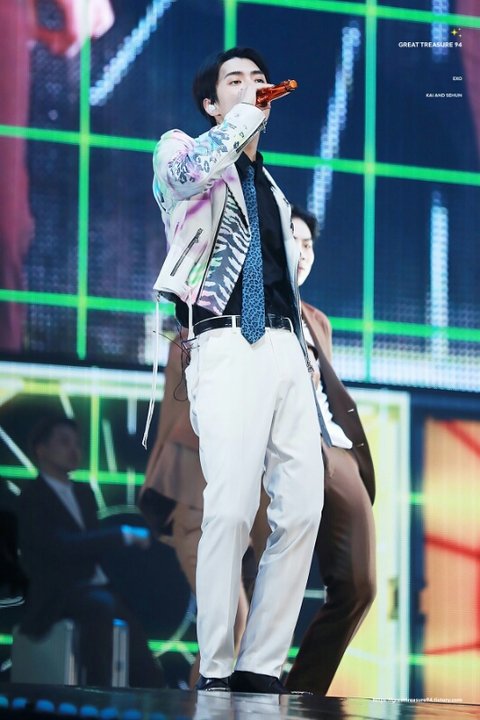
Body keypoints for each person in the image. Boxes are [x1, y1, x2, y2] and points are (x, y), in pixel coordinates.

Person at [150, 47, 324, 693]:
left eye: (259, 80)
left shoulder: (274, 190)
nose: (252, 86)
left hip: (285, 346)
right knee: (228, 509)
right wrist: (242, 119)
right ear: (211, 103)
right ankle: (218, 667)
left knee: (301, 509)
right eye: (236, 80)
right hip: (225, 341)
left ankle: (261, 665)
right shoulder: (179, 148)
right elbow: (191, 172)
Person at [285, 207, 376, 694]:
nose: (303, 252)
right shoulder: (252, 306)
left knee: (360, 585)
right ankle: (240, 691)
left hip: (335, 451)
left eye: (309, 244)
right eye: (293, 240)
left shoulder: (317, 320)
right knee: (256, 583)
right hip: (281, 450)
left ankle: (302, 692)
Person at [17, 415, 164, 689]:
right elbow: (59, 546)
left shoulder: (83, 493)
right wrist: (122, 535)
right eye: (64, 442)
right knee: (100, 606)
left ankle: (154, 691)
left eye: (77, 443)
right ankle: (97, 691)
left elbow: (90, 544)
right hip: (59, 590)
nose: (74, 450)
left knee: (130, 617)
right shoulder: (32, 497)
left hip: (96, 585)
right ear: (42, 449)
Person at [139, 336, 250, 688]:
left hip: (230, 509)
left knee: (233, 625)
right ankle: (202, 708)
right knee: (227, 622)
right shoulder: (193, 343)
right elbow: (178, 425)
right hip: (195, 508)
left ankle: (207, 706)